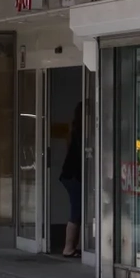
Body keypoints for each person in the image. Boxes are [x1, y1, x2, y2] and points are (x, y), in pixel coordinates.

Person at [60, 102, 83, 258]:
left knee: (78, 210)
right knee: (76, 211)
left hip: (69, 175)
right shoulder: (81, 132)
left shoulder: (73, 130)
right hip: (74, 176)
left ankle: (74, 246)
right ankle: (68, 248)